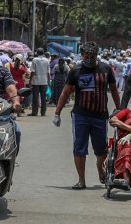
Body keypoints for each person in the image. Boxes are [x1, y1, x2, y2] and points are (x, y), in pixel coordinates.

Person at [53, 41, 120, 189]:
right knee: (79, 147)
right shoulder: (76, 71)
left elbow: (114, 90)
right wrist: (57, 112)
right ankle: (81, 179)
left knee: (101, 149)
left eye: (92, 55)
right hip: (81, 115)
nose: (89, 57)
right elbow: (65, 92)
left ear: (97, 55)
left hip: (100, 115)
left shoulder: (106, 69)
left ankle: (99, 166)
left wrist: (119, 108)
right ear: (82, 55)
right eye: (86, 55)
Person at [28, 48, 50, 116]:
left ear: (37, 53)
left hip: (36, 81)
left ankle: (34, 112)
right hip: (44, 81)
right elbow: (48, 72)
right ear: (43, 53)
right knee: (43, 98)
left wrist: (30, 80)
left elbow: (32, 71)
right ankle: (43, 112)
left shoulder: (35, 59)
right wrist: (48, 81)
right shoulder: (47, 60)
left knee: (35, 97)